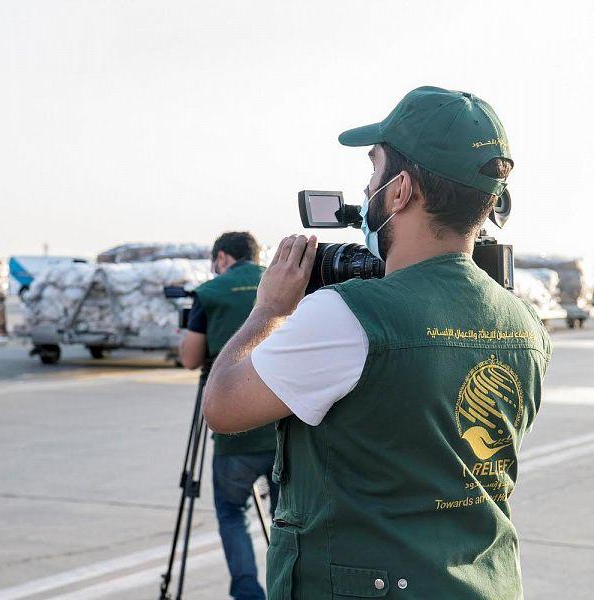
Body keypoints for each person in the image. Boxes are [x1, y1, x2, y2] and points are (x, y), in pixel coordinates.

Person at [202, 87, 552, 599]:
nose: (366, 189)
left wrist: (269, 310)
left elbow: (223, 407)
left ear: (400, 190)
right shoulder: (526, 325)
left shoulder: (346, 317)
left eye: (373, 171)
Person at [178, 231, 279, 600]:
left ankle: (248, 592)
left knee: (231, 512)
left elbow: (190, 358)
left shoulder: (210, 292)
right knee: (286, 518)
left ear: (222, 257)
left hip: (234, 429)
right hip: (284, 427)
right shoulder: (283, 281)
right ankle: (286, 588)